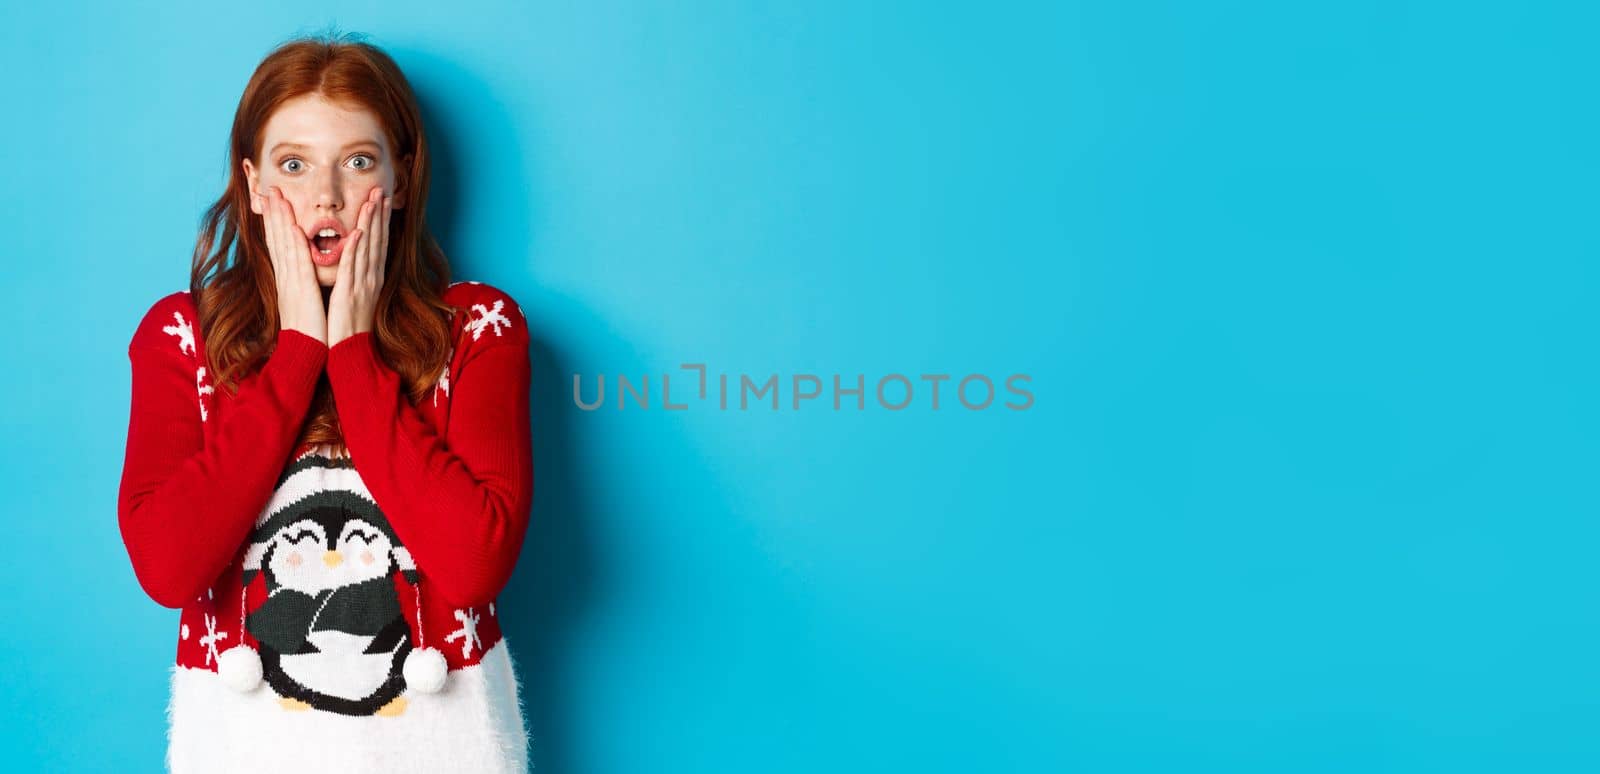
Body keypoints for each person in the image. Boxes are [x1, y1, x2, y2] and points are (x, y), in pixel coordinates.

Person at [116, 33, 533, 773]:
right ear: (252, 184)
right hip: (247, 750)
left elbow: (472, 566)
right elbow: (169, 569)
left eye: (359, 162)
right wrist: (299, 349)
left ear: (401, 180)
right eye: (294, 164)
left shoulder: (476, 329)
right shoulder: (182, 337)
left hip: (438, 746)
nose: (326, 196)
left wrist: (354, 353)